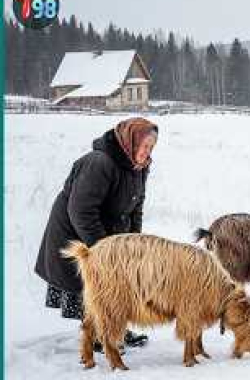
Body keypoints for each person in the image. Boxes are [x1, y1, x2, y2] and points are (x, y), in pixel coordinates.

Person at [34, 117, 158, 350]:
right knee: (93, 284)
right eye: (144, 146)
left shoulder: (139, 166)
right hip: (75, 230)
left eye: (151, 147)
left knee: (117, 280)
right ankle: (98, 334)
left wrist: (132, 244)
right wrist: (103, 249)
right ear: (130, 141)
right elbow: (80, 210)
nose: (147, 152)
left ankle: (115, 328)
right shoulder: (99, 163)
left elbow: (136, 208)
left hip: (108, 233)